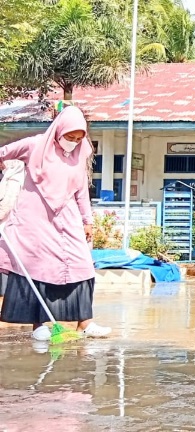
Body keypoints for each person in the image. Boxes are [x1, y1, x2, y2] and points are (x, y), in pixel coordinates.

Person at [0, 106, 111, 341]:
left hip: (67, 216)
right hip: (35, 217)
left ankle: (85, 323)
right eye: (69, 137)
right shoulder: (35, 145)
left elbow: (81, 190)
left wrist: (87, 220)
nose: (73, 142)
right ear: (59, 131)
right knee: (38, 269)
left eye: (78, 138)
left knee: (82, 266)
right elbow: (3, 154)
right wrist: (6, 172)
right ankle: (38, 324)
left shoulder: (79, 153)